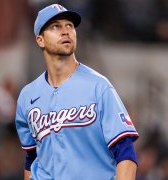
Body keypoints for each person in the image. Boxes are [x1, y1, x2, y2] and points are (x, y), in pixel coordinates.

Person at [15, 4, 139, 180]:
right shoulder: (27, 96)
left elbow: (125, 151)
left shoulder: (99, 86)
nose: (65, 31)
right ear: (40, 40)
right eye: (55, 26)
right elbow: (32, 158)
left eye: (70, 26)